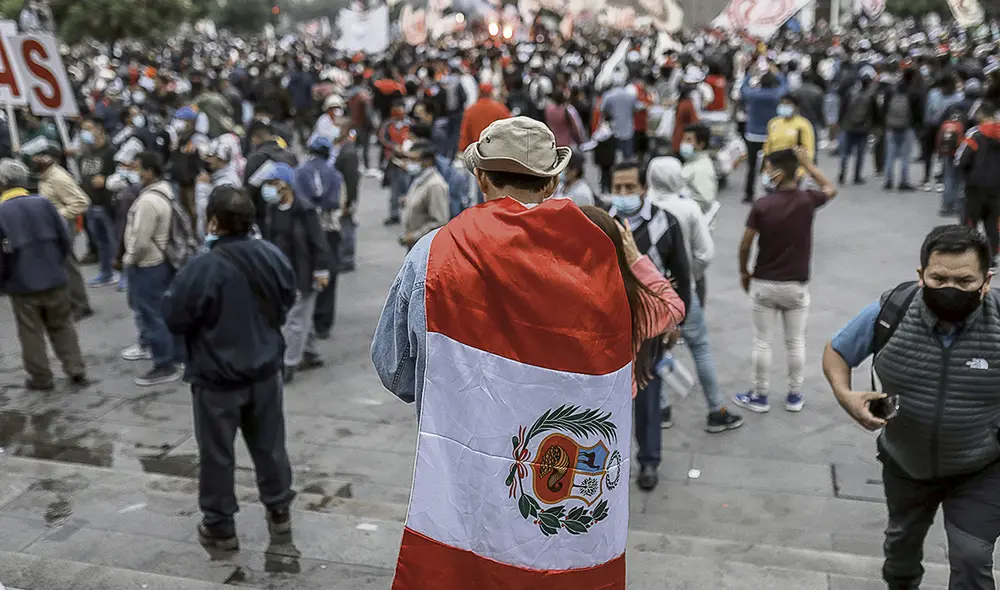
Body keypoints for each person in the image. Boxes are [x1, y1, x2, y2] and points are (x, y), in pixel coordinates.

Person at [372, 117, 633, 587]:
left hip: (463, 472)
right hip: (558, 484)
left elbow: (392, 369)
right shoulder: (597, 258)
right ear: (553, 180)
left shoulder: (435, 253)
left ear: (482, 177)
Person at [822, 225, 1000, 590]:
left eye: (965, 281)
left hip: (980, 466)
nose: (951, 289)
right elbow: (837, 352)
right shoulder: (891, 313)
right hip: (905, 462)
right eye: (939, 278)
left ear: (986, 281)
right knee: (901, 552)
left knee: (972, 556)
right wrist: (846, 395)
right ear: (921, 276)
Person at [162, 186, 297, 552]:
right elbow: (287, 299)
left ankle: (221, 526)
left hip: (216, 378)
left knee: (217, 454)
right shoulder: (272, 255)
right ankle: (279, 509)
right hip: (265, 371)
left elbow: (174, 317)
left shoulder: (202, 268)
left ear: (214, 222)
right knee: (270, 446)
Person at [608, 159, 692, 490]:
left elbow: (683, 276)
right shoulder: (603, 221)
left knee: (647, 396)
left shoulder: (665, 223)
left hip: (651, 330)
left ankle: (648, 461)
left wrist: (676, 323)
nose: (623, 194)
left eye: (630, 188)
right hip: (610, 328)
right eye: (617, 188)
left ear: (644, 188)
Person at [644, 156, 743, 434]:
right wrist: (691, 275)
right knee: (699, 346)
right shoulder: (687, 208)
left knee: (654, 350)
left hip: (650, 294)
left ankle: (660, 407)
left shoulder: (647, 207)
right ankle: (716, 409)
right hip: (682, 290)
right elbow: (705, 253)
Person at [736, 147, 837, 414]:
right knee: (796, 343)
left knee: (762, 341)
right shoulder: (807, 200)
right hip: (797, 285)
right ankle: (794, 395)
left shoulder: (762, 206)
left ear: (778, 174)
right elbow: (830, 187)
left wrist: (744, 271)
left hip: (765, 283)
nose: (765, 173)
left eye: (768, 169)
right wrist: (809, 164)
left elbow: (745, 244)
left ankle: (760, 394)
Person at [579, 205, 685, 397]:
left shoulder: (555, 295)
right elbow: (674, 306)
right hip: (614, 403)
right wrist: (635, 258)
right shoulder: (630, 301)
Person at [0, 159, 87, 390]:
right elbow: (64, 239)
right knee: (62, 325)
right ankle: (75, 367)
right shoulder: (43, 204)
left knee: (31, 332)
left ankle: (41, 378)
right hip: (54, 277)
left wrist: (4, 281)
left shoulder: (2, 212)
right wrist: (56, 264)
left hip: (22, 283)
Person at [258, 162, 331, 383]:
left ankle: (288, 363)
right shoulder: (272, 210)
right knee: (300, 316)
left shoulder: (305, 210)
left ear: (284, 185)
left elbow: (318, 242)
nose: (267, 188)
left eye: (271, 183)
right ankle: (311, 353)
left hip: (304, 273)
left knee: (295, 320)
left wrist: (321, 270)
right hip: (281, 272)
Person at [123, 152, 184, 386]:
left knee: (153, 316)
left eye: (138, 168)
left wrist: (128, 259)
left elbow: (140, 240)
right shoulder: (166, 192)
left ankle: (164, 364)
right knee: (166, 312)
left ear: (149, 171)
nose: (135, 173)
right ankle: (177, 355)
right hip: (163, 261)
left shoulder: (148, 201)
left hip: (148, 264)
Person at [31, 141, 93, 320]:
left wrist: (56, 215)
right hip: (56, 226)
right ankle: (70, 302)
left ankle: (81, 304)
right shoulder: (45, 176)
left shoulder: (58, 177)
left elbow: (81, 202)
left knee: (68, 265)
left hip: (65, 226)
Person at [294, 136, 344, 341]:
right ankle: (323, 322)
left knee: (304, 270)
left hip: (305, 229)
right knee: (328, 276)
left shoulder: (299, 172)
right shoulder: (335, 174)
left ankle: (306, 319)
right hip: (329, 228)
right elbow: (336, 201)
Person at [956, 101, 1000, 260]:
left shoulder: (975, 133)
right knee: (993, 223)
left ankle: (970, 255)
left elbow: (960, 159)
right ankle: (993, 257)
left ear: (981, 114)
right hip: (996, 187)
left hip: (975, 186)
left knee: (970, 221)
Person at [79, 118, 120, 287]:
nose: (86, 133)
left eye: (89, 129)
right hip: (91, 205)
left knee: (115, 241)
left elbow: (124, 175)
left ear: (99, 129)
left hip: (107, 205)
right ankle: (106, 273)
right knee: (101, 243)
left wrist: (107, 180)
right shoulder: (85, 154)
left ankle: (122, 273)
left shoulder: (111, 152)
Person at [741, 68, 788, 203]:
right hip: (771, 136)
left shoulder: (753, 95)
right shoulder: (777, 95)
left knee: (751, 166)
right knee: (773, 164)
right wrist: (778, 73)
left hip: (753, 135)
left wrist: (749, 74)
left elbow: (743, 89)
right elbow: (786, 85)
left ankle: (748, 194)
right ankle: (773, 190)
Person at [400, 143, 449, 250]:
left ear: (428, 161)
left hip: (425, 247)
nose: (409, 163)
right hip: (415, 245)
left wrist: (415, 236)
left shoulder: (435, 185)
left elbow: (439, 222)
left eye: (414, 159)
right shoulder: (419, 179)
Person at [882, 69, 924, 191]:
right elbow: (917, 113)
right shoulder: (913, 93)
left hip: (891, 126)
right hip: (907, 127)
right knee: (906, 155)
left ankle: (888, 180)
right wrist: (919, 126)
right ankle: (903, 181)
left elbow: (884, 108)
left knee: (890, 154)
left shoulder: (891, 90)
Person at [838, 66, 880, 185]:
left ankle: (842, 173)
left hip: (849, 126)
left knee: (845, 152)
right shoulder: (871, 96)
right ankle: (856, 176)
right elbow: (875, 113)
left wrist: (840, 122)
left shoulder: (850, 93)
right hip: (863, 128)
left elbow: (843, 108)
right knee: (860, 154)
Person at [377, 101, 411, 226]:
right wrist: (393, 147)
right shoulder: (388, 125)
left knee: (409, 187)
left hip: (408, 160)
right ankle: (394, 214)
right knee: (394, 189)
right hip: (393, 161)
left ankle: (410, 212)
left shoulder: (410, 124)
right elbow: (382, 138)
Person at [458, 83, 512, 153]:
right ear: (491, 93)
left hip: (476, 152)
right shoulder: (501, 109)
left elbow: (465, 135)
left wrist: (463, 149)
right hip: (496, 152)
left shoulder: (470, 110)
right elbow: (509, 130)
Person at [763, 95, 816, 163]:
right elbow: (767, 147)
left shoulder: (803, 124)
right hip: (775, 165)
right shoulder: (774, 123)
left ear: (796, 107)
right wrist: (766, 163)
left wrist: (802, 170)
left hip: (793, 165)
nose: (784, 106)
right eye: (782, 103)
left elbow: (808, 149)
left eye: (788, 104)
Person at [679, 124, 718, 215]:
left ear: (701, 144)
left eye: (688, 140)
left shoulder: (701, 168)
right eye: (683, 139)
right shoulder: (692, 162)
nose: (683, 143)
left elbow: (705, 200)